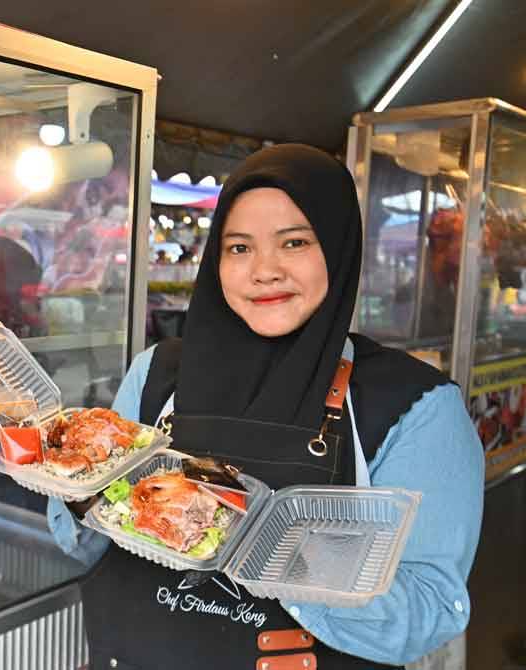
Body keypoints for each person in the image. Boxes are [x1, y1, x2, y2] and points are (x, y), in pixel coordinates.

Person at [47, 144, 484, 669]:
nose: (264, 271)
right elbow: (87, 544)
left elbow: (430, 610)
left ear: (340, 250)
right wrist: (64, 475)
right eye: (238, 248)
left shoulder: (413, 406)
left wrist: (267, 548)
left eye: (294, 242)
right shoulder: (158, 373)